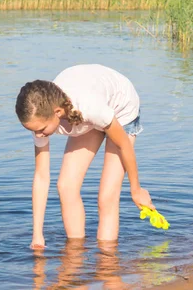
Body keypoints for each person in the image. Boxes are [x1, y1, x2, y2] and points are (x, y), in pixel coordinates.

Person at [15, 64, 155, 249]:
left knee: (107, 196)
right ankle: (75, 255)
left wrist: (136, 189)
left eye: (41, 130)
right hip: (86, 115)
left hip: (121, 110)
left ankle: (107, 263)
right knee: (66, 186)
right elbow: (41, 176)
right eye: (33, 131)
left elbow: (123, 145)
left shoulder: (89, 106)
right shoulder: (40, 120)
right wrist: (37, 235)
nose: (38, 136)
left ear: (57, 112)